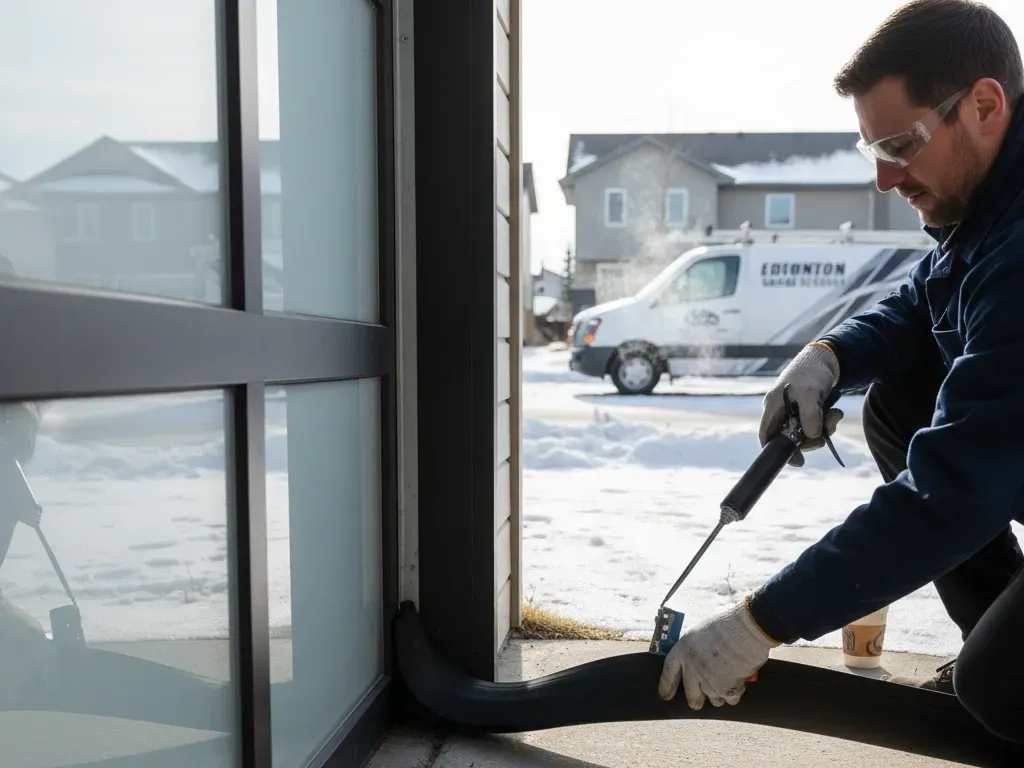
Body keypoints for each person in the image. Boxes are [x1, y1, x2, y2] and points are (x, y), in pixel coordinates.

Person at [657, 0, 1024, 745]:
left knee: (1004, 686)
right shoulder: (986, 208)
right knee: (898, 402)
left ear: (985, 105)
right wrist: (832, 356)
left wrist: (761, 623)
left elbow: (948, 496)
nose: (886, 179)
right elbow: (928, 296)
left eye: (899, 144)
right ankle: (996, 629)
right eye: (872, 152)